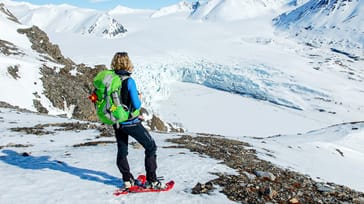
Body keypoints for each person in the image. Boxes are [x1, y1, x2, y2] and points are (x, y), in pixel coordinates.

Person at [110, 52, 163, 189]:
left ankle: (127, 180)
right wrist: (138, 97)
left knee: (122, 150)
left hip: (116, 121)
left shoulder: (110, 80)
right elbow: (137, 104)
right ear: (128, 64)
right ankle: (152, 181)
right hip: (130, 122)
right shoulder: (129, 81)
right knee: (151, 146)